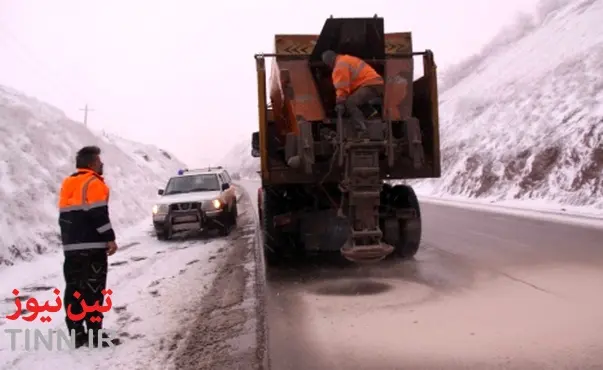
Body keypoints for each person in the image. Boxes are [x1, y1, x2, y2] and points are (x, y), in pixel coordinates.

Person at [58, 145, 120, 348]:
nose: (102, 165)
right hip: (92, 248)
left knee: (74, 290)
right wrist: (109, 238)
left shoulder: (68, 183)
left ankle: (77, 334)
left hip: (71, 248)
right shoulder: (94, 183)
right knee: (94, 290)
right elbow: (98, 214)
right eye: (100, 162)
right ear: (92, 163)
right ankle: (95, 335)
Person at [321, 50, 385, 132]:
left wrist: (340, 102)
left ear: (329, 62)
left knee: (350, 102)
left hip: (370, 84)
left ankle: (362, 128)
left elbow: (342, 87)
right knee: (359, 101)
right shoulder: (346, 59)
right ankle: (373, 117)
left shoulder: (340, 66)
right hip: (375, 83)